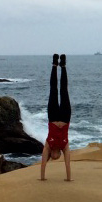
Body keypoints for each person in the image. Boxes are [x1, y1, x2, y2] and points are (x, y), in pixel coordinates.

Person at [40, 53, 72, 181]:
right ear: (59, 154)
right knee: (64, 90)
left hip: (52, 117)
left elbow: (43, 164)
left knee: (53, 90)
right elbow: (68, 163)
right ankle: (63, 66)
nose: (55, 156)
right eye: (57, 156)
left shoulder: (48, 145)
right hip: (65, 117)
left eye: (53, 157)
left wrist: (42, 178)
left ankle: (54, 65)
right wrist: (69, 178)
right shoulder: (65, 146)